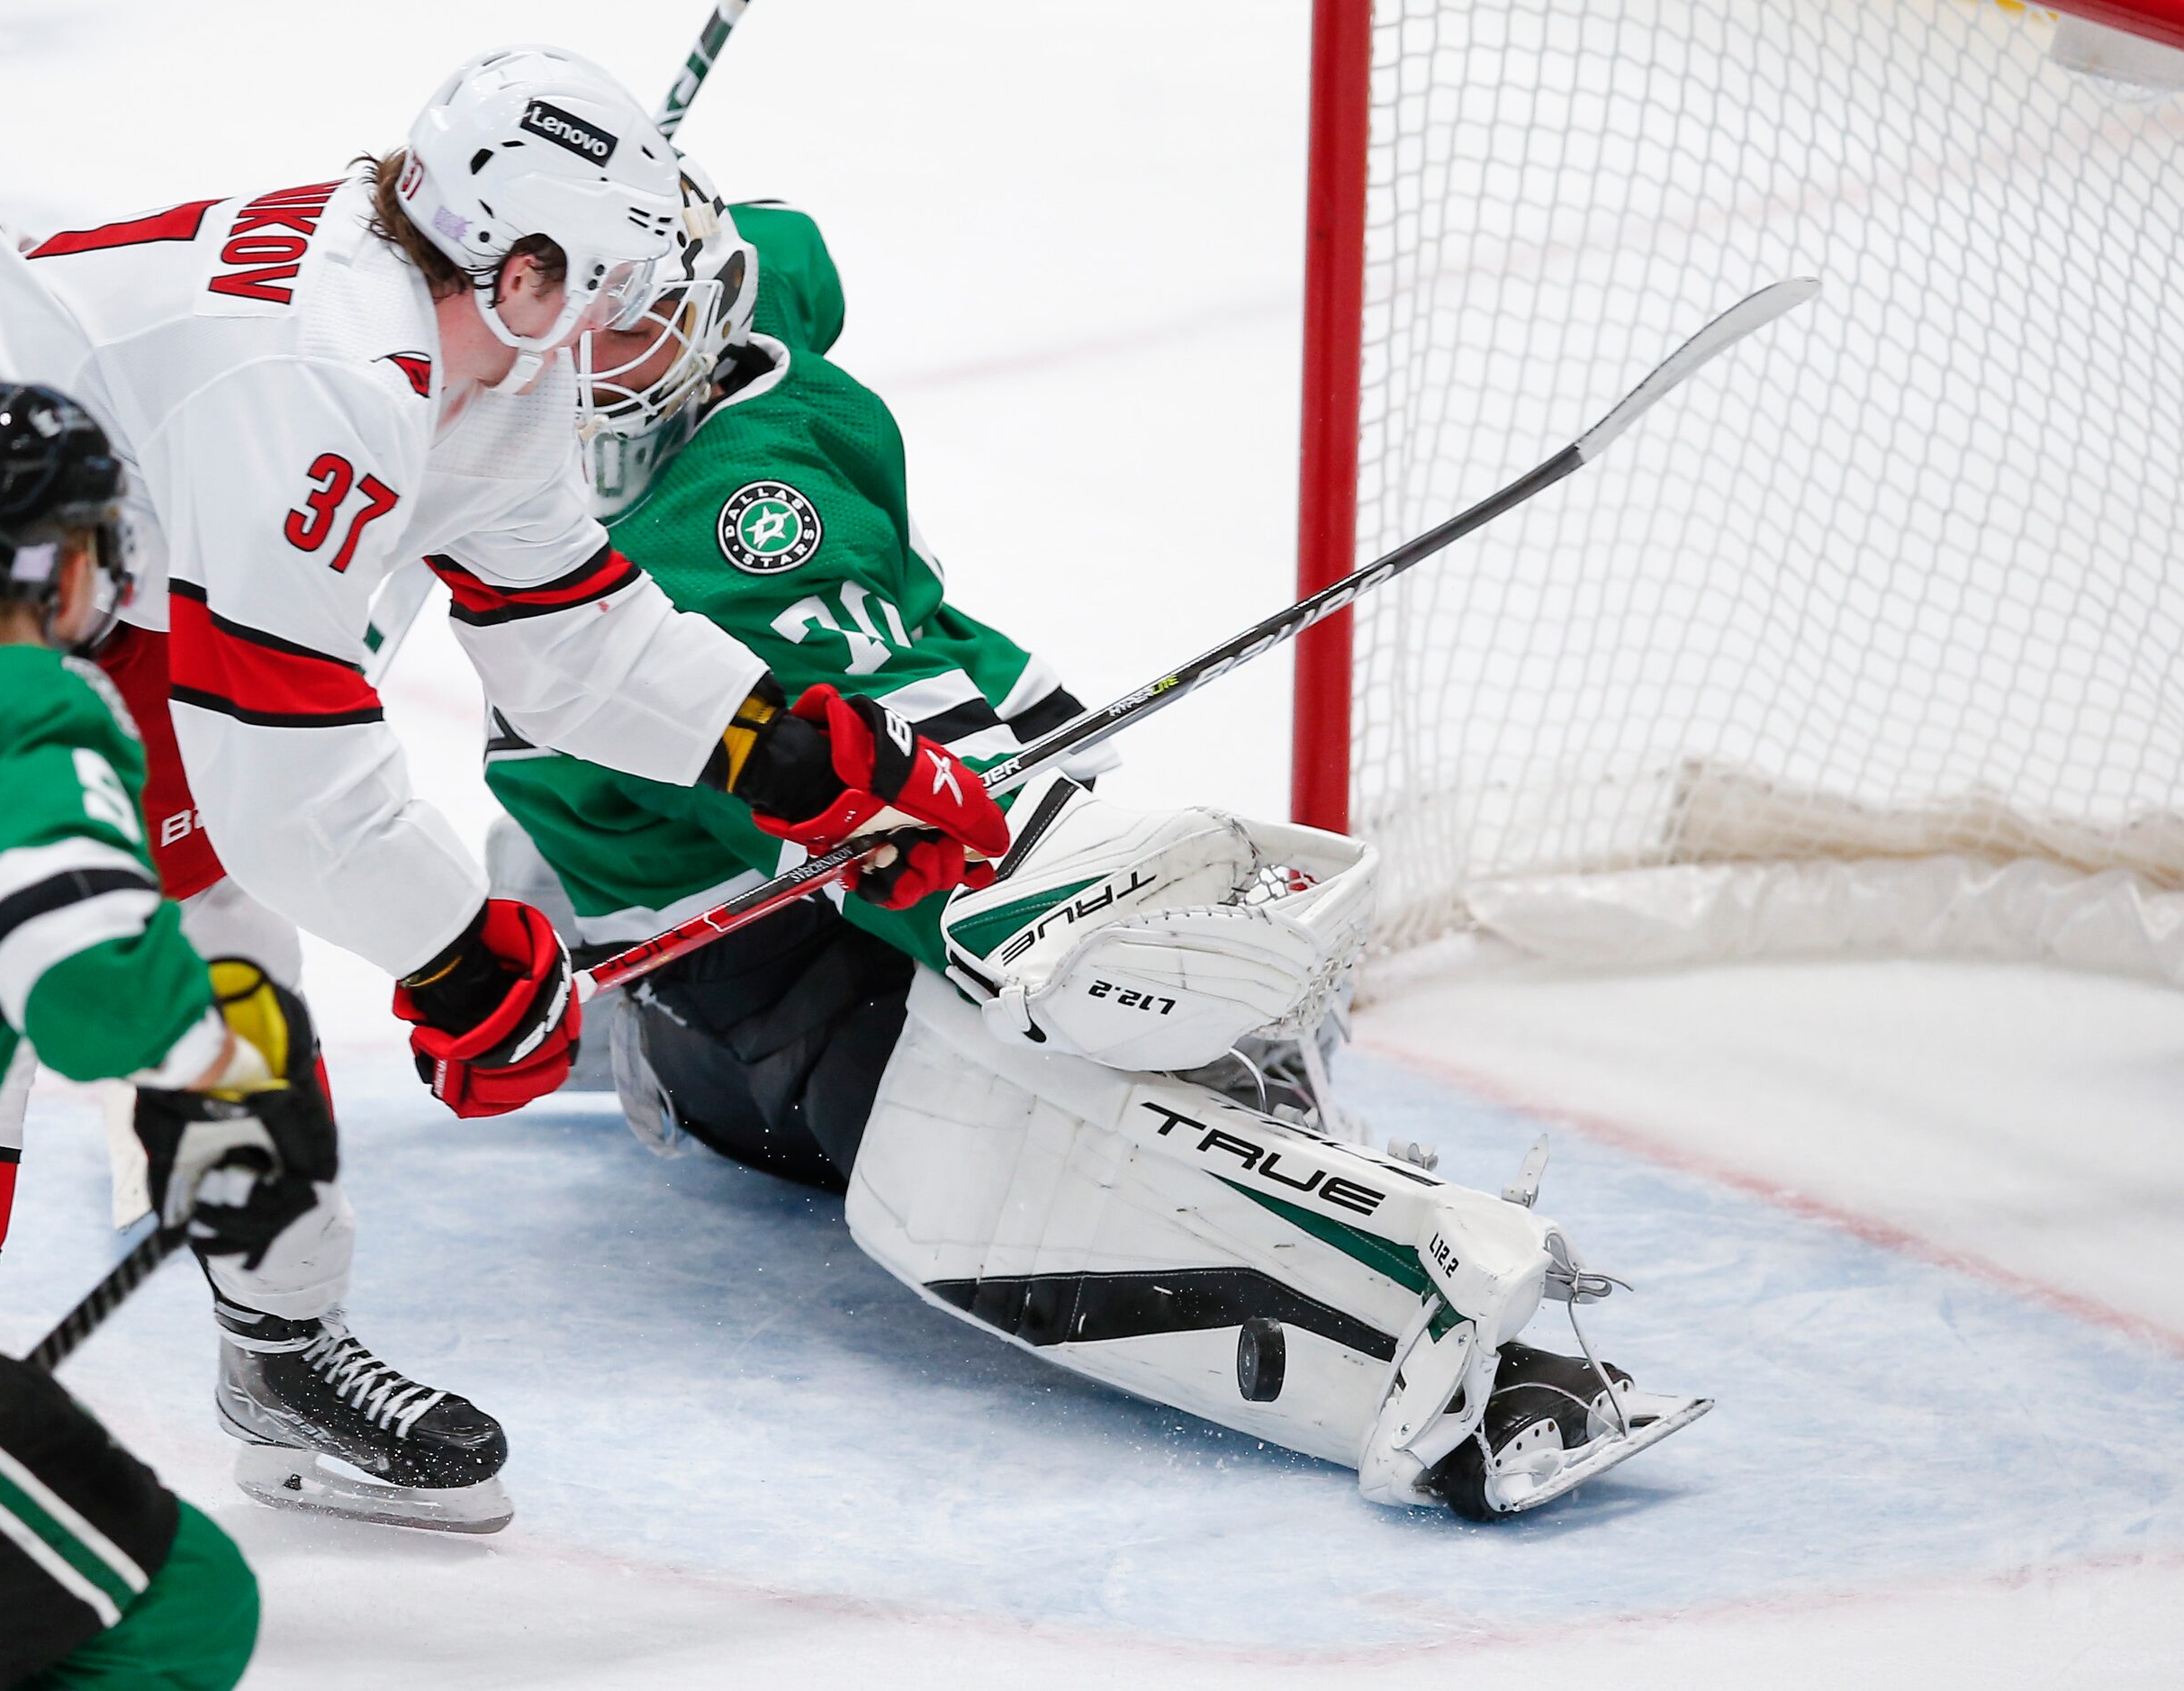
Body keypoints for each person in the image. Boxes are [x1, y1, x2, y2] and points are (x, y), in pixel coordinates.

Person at [0, 45, 1006, 1533]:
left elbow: (576, 631)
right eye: (621, 292)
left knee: (216, 938)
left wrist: (810, 762)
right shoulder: (322, 377)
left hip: (85, 566)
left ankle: (279, 1358)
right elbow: (289, 780)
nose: (644, 335)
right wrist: (465, 960)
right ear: (523, 269)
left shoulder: (489, 345)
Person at [486, 167, 1713, 1520]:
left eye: (627, 322)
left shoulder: (714, 448)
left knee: (1020, 1065)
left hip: (734, 924)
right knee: (1036, 1096)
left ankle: (1455, 1356)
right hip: (747, 1006)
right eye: (560, 325)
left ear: (710, 300)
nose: (584, 371)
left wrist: (607, 184)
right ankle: (1419, 1339)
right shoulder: (683, 469)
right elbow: (790, 263)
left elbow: (790, 261)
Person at [0, 378, 333, 1691]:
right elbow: (85, 984)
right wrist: (236, 1072)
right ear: (72, 567)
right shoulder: (21, 713)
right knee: (168, 1607)